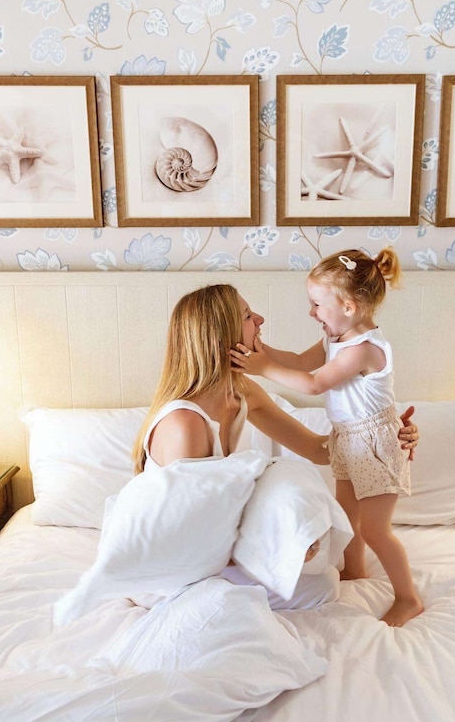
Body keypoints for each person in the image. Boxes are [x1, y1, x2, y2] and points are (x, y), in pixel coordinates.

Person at [132, 285, 419, 575]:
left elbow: (317, 451)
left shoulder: (242, 393)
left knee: (323, 583)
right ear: (220, 337)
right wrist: (276, 544)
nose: (260, 319)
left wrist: (384, 437)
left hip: (212, 545)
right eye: (247, 316)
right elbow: (192, 533)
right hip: (176, 560)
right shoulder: (184, 424)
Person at [230, 251, 424, 628]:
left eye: (317, 304)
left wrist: (263, 368)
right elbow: (300, 362)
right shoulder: (335, 338)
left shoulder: (364, 349)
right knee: (348, 518)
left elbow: (315, 383)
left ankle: (408, 598)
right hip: (348, 440)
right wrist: (262, 352)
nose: (311, 312)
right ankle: (355, 569)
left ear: (349, 307)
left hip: (377, 444)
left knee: (376, 530)